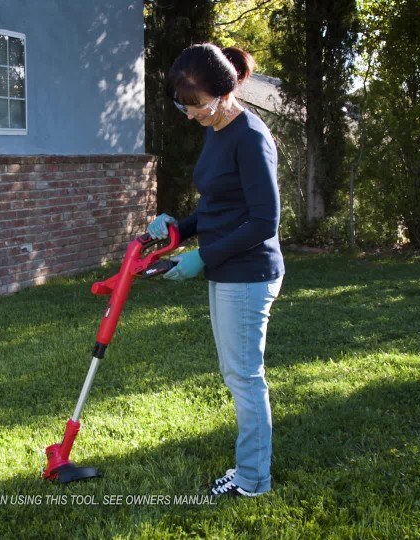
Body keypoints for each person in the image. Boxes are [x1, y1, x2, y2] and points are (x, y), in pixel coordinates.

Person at [148, 43, 285, 498]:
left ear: (225, 94)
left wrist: (203, 257)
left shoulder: (250, 137)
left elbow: (264, 221)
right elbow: (218, 205)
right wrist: (178, 228)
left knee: (245, 378)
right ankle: (252, 471)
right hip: (227, 267)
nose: (190, 115)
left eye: (198, 106)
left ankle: (253, 479)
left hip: (248, 271)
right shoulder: (216, 126)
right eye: (182, 106)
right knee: (237, 374)